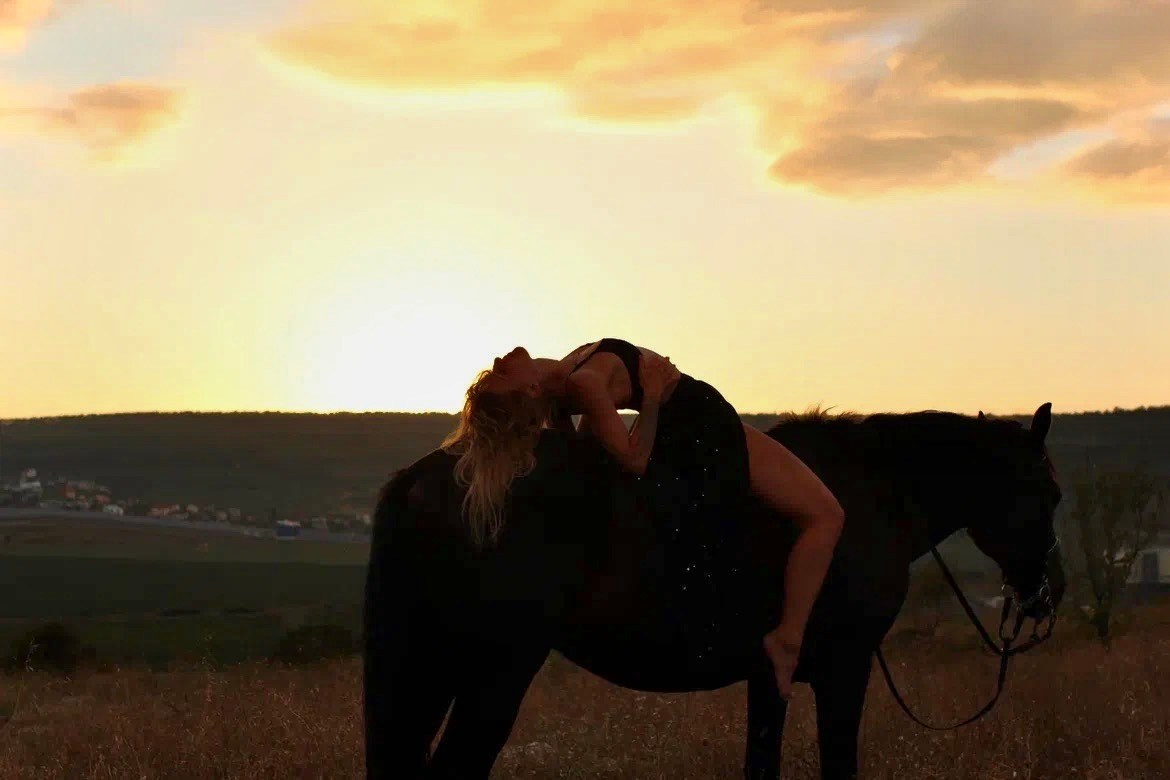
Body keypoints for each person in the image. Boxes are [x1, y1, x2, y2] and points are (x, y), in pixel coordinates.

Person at [441, 339, 844, 698]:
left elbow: (585, 444)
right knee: (826, 515)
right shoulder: (582, 383)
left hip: (691, 420)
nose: (498, 360)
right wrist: (650, 395)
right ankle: (789, 636)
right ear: (530, 389)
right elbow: (634, 459)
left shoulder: (562, 382)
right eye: (501, 374)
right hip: (702, 425)